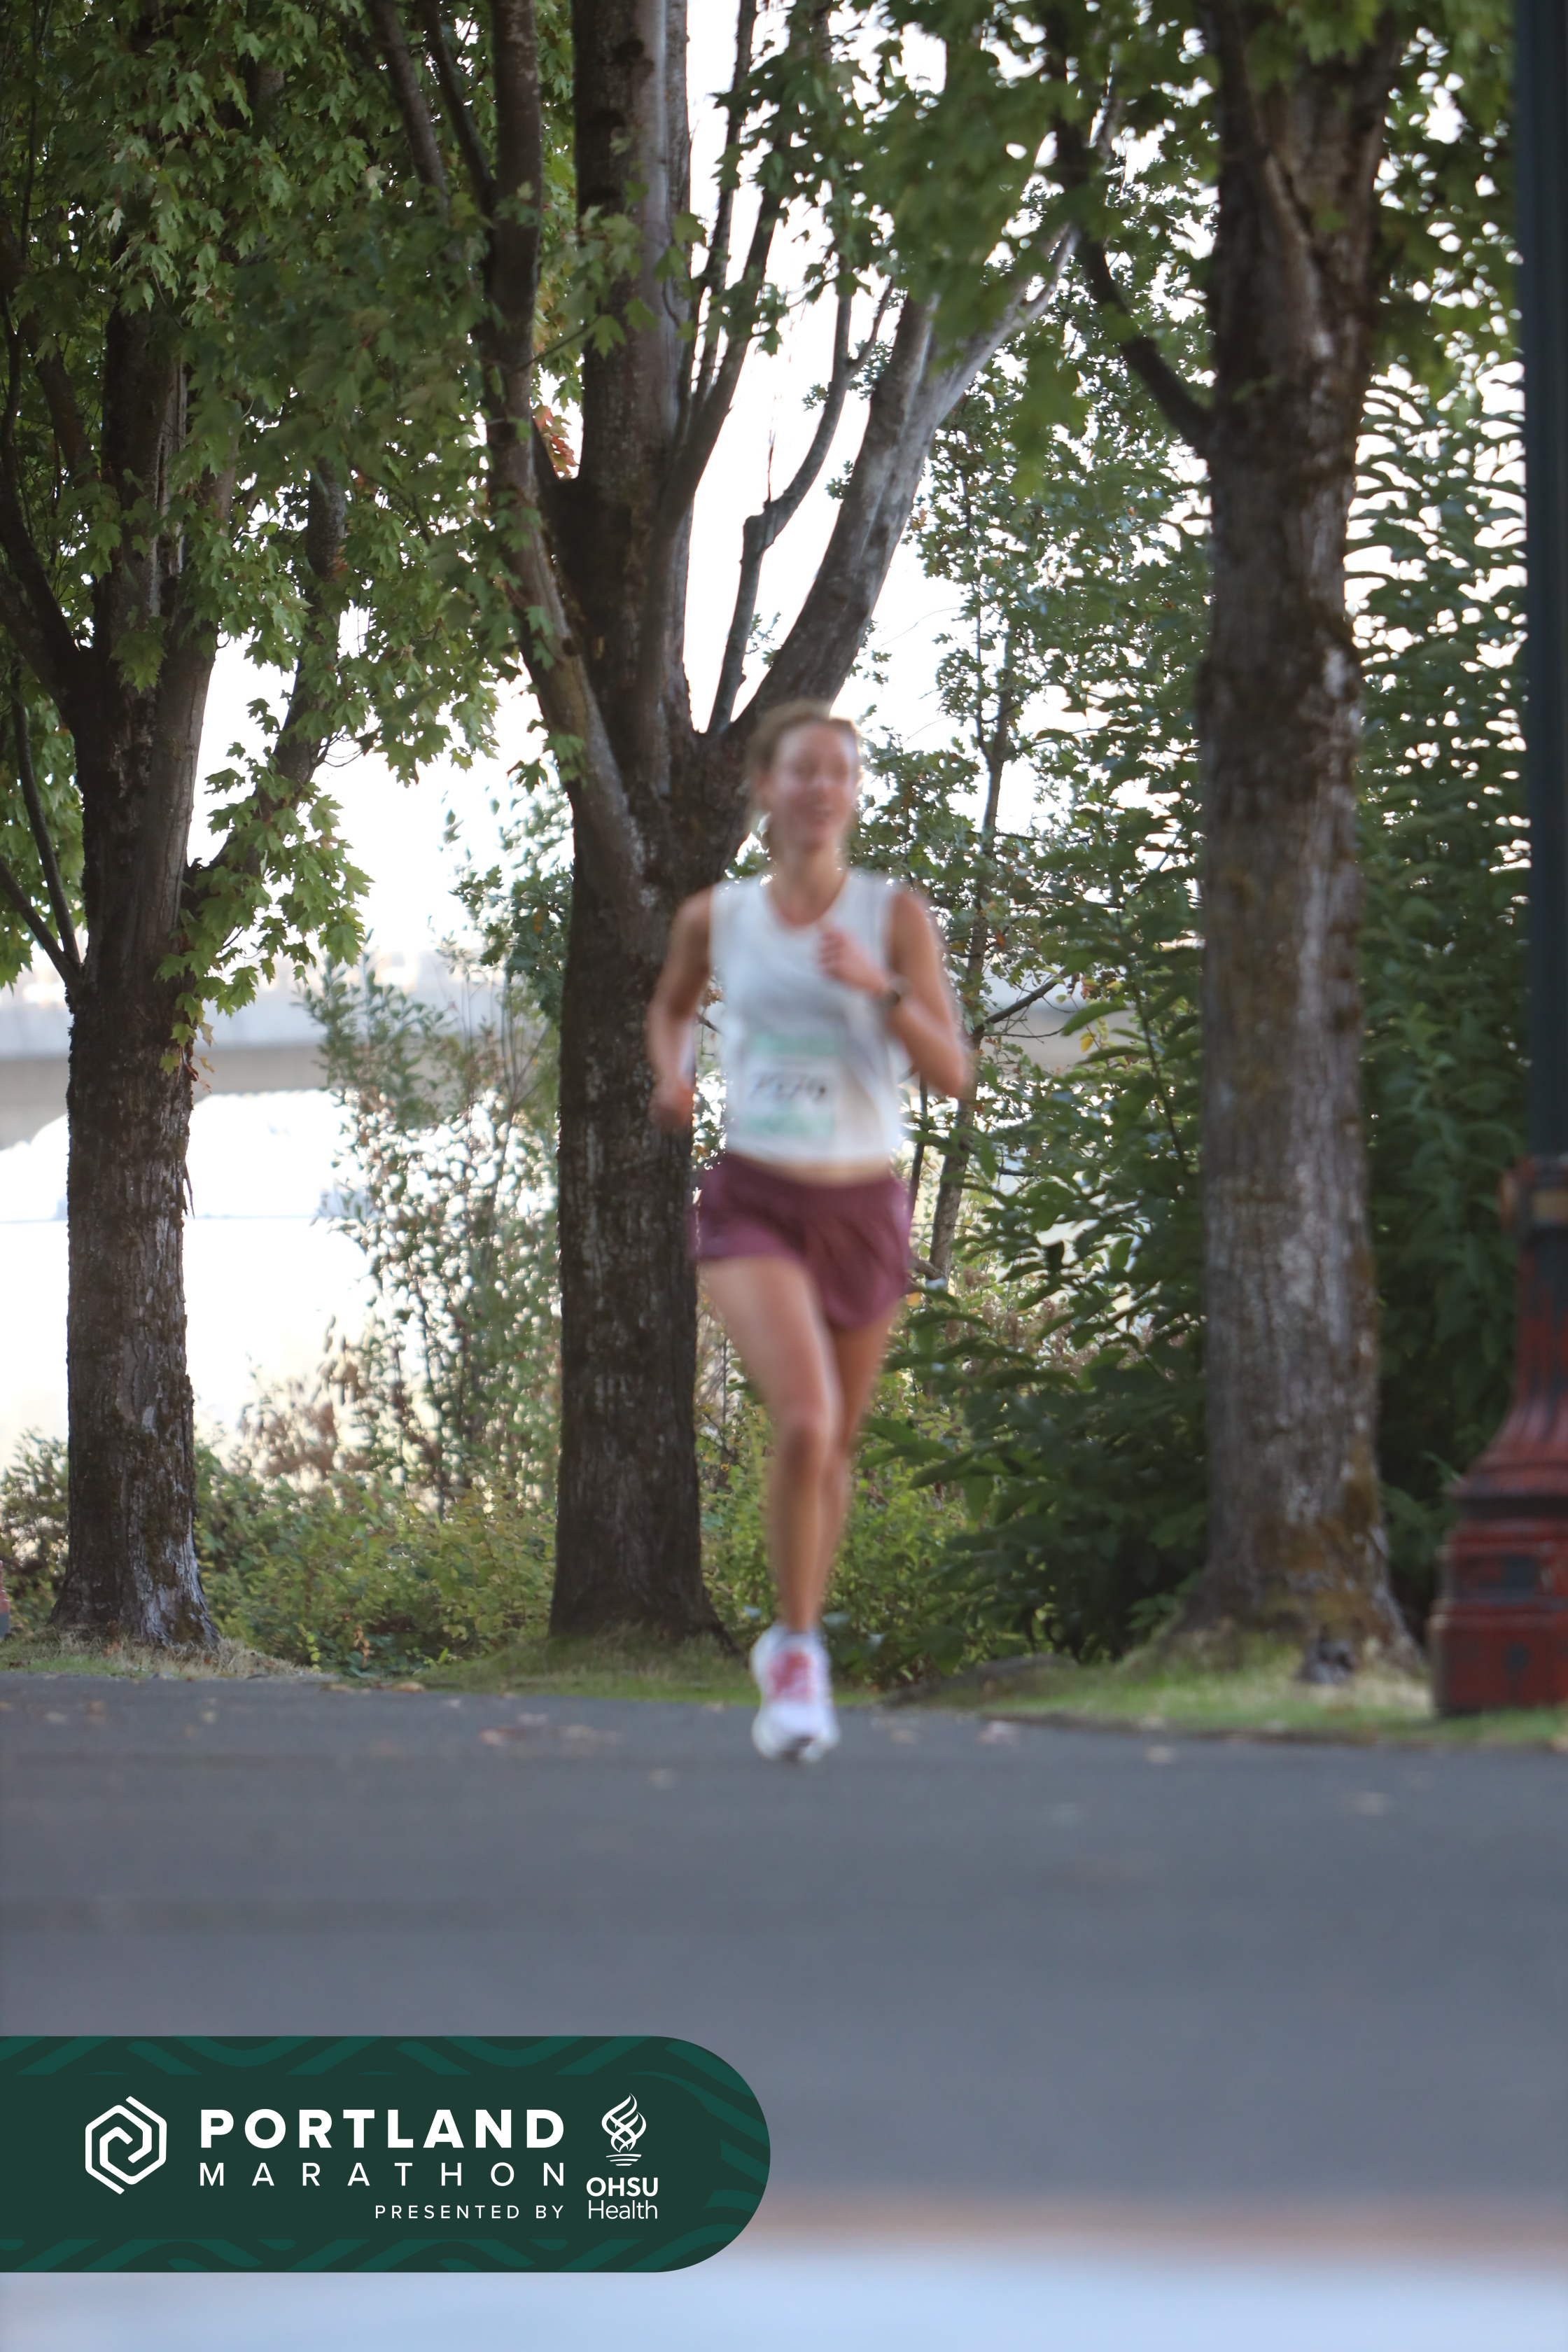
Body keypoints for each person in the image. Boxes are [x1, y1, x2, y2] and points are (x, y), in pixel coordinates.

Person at [646, 700, 972, 1760]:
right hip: (754, 1199)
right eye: (802, 769)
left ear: (854, 793)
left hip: (862, 1204)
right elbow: (673, 1005)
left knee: (832, 1446)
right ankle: (795, 1658)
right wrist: (673, 1076)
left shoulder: (892, 916)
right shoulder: (718, 917)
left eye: (841, 770)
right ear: (765, 788)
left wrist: (880, 990)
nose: (822, 786)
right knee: (805, 1420)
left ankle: (798, 1634)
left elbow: (952, 1073)